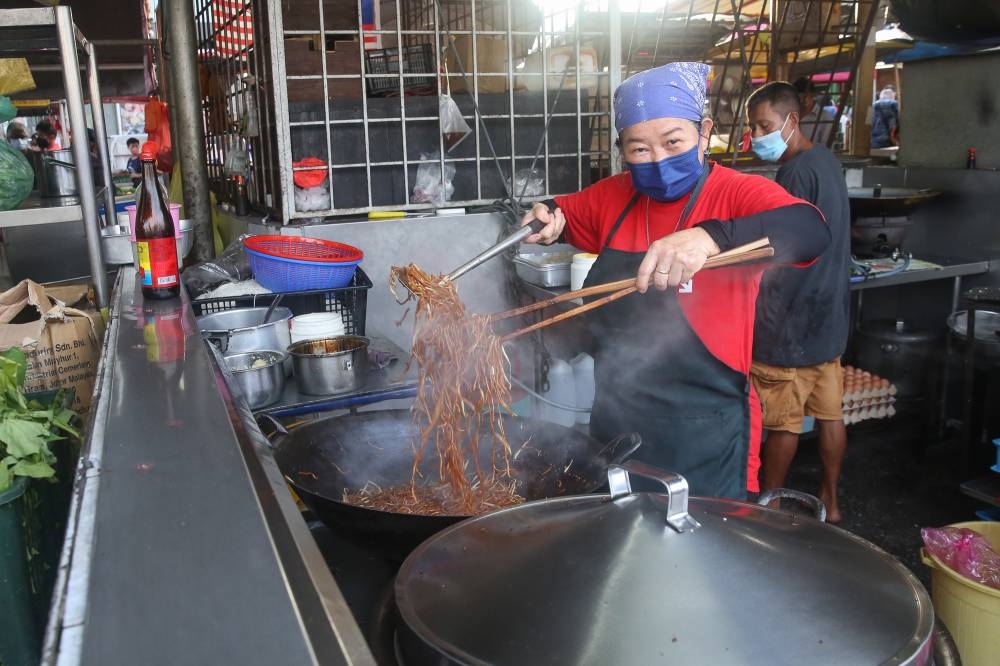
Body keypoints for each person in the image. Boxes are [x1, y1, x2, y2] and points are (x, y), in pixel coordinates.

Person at [522, 62, 831, 500]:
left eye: (673, 142)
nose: (659, 161)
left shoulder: (735, 194)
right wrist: (548, 213)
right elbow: (564, 210)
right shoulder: (614, 195)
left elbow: (811, 229)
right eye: (639, 149)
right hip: (616, 425)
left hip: (707, 436)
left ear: (703, 133)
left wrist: (711, 236)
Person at [746, 81, 851, 522]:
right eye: (753, 127)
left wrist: (762, 311)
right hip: (829, 316)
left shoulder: (794, 173)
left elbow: (785, 251)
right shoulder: (827, 160)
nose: (757, 136)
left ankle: (769, 507)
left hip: (794, 318)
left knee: (783, 422)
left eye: (764, 125)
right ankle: (831, 500)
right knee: (830, 415)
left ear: (791, 121)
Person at [793, 77, 835, 146]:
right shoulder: (789, 115)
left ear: (813, 95)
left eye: (808, 96)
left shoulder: (825, 117)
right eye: (801, 97)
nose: (805, 100)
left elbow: (826, 147)